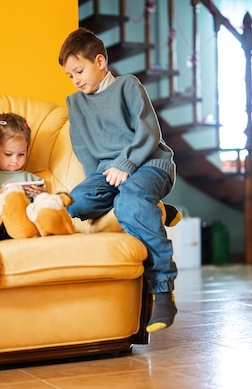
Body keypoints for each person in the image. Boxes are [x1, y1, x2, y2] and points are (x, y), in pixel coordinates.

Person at [58, 27, 178, 333]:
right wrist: (95, 188)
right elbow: (86, 153)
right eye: (70, 76)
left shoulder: (127, 86)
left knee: (130, 203)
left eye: (79, 70)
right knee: (75, 203)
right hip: (109, 173)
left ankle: (162, 288)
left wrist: (126, 164)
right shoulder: (76, 104)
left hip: (150, 162)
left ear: (100, 61)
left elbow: (149, 132)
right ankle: (158, 207)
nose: (76, 80)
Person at [0, 113, 47, 205]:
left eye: (21, 154)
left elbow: (44, 211)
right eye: (8, 154)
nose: (15, 161)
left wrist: (43, 196)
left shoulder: (32, 180)